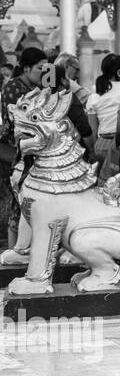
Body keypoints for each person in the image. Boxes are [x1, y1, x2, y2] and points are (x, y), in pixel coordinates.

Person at [0, 48, 50, 246]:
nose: (44, 73)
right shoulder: (14, 87)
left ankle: (19, 250)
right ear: (27, 68)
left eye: (47, 69)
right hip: (14, 151)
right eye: (39, 68)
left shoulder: (36, 89)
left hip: (31, 150)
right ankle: (15, 250)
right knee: (20, 203)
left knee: (23, 203)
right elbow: (22, 121)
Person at [87, 53, 120, 183]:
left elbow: (92, 129)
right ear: (119, 72)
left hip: (101, 144)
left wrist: (93, 151)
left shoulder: (95, 95)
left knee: (104, 184)